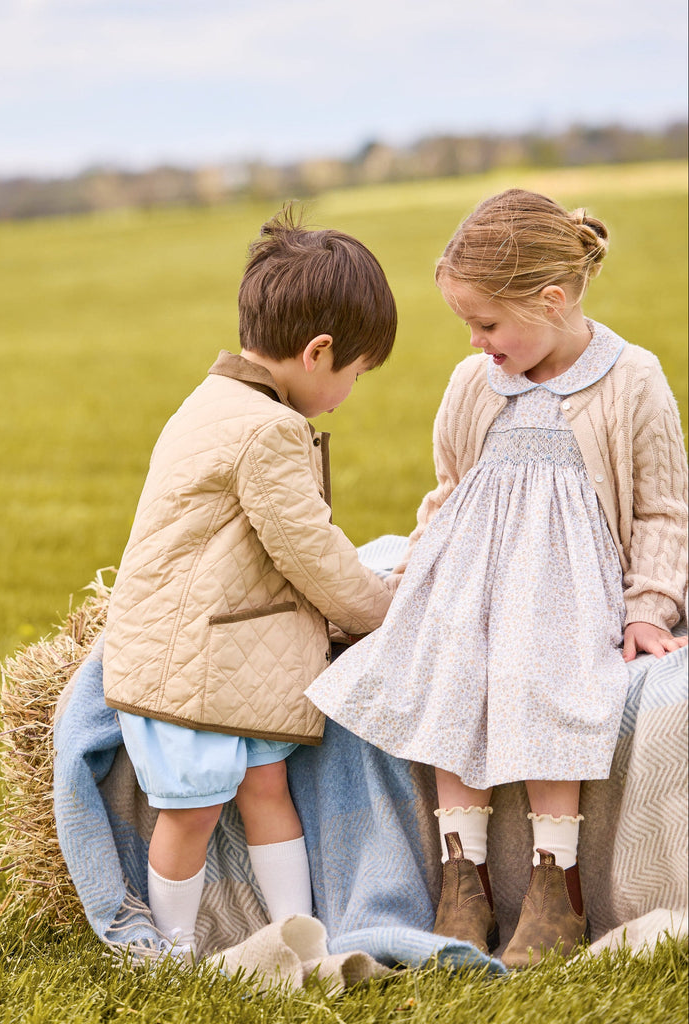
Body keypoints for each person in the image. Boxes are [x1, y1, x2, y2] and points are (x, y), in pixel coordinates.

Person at [306, 188, 688, 967]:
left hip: (569, 591)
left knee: (545, 675)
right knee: (448, 670)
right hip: (470, 581)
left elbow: (663, 509)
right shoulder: (472, 386)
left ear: (552, 300)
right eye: (466, 325)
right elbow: (447, 495)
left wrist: (650, 605)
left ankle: (557, 883)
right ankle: (463, 875)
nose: (476, 341)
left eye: (487, 323)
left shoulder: (630, 379)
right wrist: (413, 575)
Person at [101, 206, 397, 958]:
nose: (349, 393)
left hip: (233, 656)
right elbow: (313, 554)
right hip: (190, 662)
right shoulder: (268, 429)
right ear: (319, 351)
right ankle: (172, 949)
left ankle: (302, 937)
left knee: (267, 789)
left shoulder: (216, 400)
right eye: (355, 375)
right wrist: (384, 606)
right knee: (193, 808)